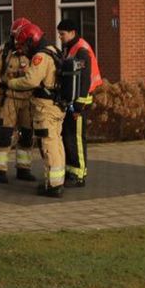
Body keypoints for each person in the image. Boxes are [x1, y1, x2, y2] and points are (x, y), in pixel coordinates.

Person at [8, 22, 67, 197]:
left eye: (25, 45)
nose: (24, 50)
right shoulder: (54, 50)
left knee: (48, 143)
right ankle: (57, 180)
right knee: (56, 141)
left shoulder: (40, 56)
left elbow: (31, 81)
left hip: (45, 106)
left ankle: (53, 185)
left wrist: (11, 83)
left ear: (31, 41)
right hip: (57, 104)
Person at [0, 18, 37, 183]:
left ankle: (24, 169)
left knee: (27, 135)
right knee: (4, 134)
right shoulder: (3, 51)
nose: (18, 40)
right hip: (9, 98)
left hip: (28, 99)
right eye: (16, 36)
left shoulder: (33, 51)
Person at [56, 19, 102, 188]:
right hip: (72, 101)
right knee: (68, 136)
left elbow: (84, 80)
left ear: (73, 32)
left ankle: (79, 173)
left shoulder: (81, 50)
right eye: (59, 34)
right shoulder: (70, 47)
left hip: (79, 102)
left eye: (63, 34)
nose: (60, 37)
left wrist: (79, 106)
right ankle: (71, 171)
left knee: (76, 138)